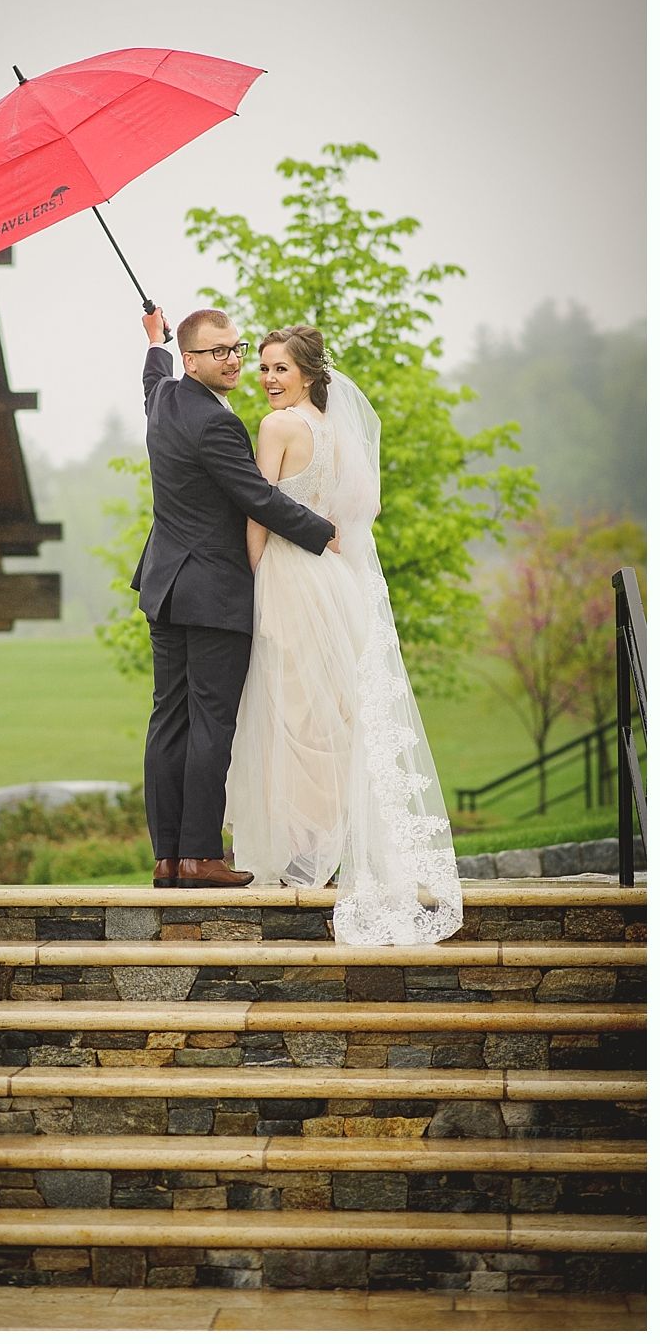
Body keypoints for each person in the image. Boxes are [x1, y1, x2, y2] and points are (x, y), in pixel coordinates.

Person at [224, 326, 463, 945]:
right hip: (333, 580)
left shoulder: (277, 428)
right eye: (265, 369)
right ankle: (321, 849)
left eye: (280, 369)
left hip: (287, 575)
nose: (270, 380)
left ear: (306, 372)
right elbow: (355, 514)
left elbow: (258, 510)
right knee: (329, 714)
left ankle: (296, 853)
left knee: (292, 713)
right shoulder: (335, 428)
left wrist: (249, 578)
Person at [132, 307, 336, 889]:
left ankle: (167, 858)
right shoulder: (217, 424)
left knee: (168, 719)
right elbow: (257, 498)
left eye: (237, 347)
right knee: (210, 720)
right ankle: (199, 855)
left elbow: (150, 382)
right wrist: (321, 533)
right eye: (219, 351)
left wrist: (154, 344)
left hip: (165, 587)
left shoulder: (165, 401)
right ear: (193, 360)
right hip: (214, 590)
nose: (235, 359)